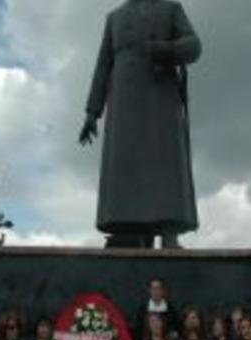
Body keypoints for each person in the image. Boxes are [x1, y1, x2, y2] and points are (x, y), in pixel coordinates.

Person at [78, 0, 203, 249]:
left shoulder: (171, 9)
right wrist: (92, 112)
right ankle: (127, 229)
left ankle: (168, 230)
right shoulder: (114, 18)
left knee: (165, 163)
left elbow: (194, 46)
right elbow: (103, 65)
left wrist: (166, 50)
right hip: (123, 104)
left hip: (161, 100)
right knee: (124, 164)